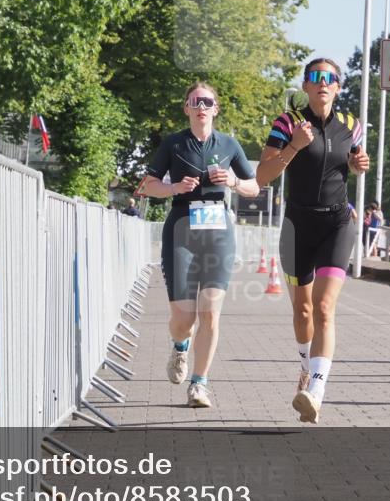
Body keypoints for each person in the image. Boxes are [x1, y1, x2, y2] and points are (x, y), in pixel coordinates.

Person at [256, 58, 370, 424]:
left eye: (330, 78)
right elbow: (263, 175)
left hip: (338, 222)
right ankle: (306, 368)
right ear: (305, 86)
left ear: (338, 87)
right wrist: (293, 147)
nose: (323, 83)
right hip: (296, 225)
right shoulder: (286, 123)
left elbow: (349, 161)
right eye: (315, 78)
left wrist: (357, 164)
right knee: (302, 310)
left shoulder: (352, 125)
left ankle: (316, 391)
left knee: (323, 308)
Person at [138, 82, 260, 407]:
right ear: (187, 108)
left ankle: (199, 384)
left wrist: (233, 181)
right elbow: (147, 186)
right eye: (196, 101)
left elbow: (254, 187)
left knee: (210, 312)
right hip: (181, 232)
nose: (202, 106)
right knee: (183, 317)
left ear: (216, 108)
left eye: (208, 101)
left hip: (218, 233)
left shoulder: (229, 144)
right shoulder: (174, 144)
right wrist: (176, 187)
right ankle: (180, 347)